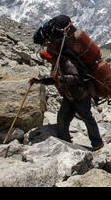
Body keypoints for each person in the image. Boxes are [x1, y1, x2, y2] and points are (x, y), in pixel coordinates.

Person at [31, 16, 104, 151]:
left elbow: (75, 77)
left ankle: (97, 144)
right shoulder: (58, 63)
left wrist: (61, 78)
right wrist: (39, 81)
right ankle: (64, 143)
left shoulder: (66, 62)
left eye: (48, 60)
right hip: (70, 96)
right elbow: (54, 79)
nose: (48, 62)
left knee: (87, 118)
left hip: (81, 95)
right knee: (63, 118)